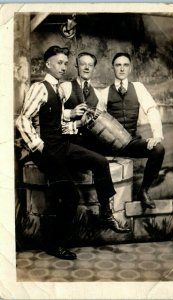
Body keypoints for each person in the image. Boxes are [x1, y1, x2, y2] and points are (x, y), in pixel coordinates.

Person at [16, 46, 129, 260]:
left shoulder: (58, 90)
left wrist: (77, 124)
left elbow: (57, 123)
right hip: (47, 150)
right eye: (59, 63)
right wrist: (38, 146)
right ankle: (54, 244)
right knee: (71, 195)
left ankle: (106, 213)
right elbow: (22, 120)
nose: (63, 67)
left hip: (62, 145)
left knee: (99, 162)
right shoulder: (39, 88)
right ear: (47, 64)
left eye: (65, 63)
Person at [100, 52, 165, 210]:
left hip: (131, 143)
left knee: (158, 149)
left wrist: (156, 135)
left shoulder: (138, 88)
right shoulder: (104, 93)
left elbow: (151, 109)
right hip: (110, 146)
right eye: (118, 65)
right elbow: (98, 121)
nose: (122, 68)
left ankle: (143, 191)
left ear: (130, 69)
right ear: (113, 68)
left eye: (125, 65)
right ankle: (106, 208)